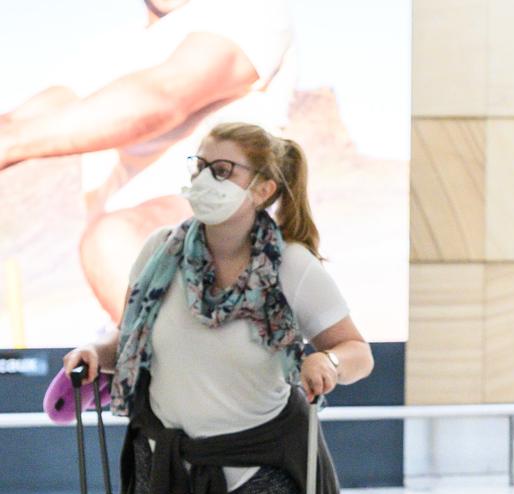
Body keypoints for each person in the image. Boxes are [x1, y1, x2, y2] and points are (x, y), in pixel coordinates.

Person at [62, 122, 373, 494]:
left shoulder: (294, 268)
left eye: (222, 169)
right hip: (169, 485)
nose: (203, 180)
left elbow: (357, 351)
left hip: (263, 488)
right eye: (198, 165)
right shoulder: (160, 254)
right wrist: (94, 356)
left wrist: (326, 361)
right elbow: (128, 336)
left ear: (262, 189)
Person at [0, 0, 294, 322]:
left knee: (114, 239)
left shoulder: (246, 12)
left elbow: (164, 96)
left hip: (226, 243)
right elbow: (26, 119)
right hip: (134, 289)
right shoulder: (110, 50)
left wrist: (10, 142)